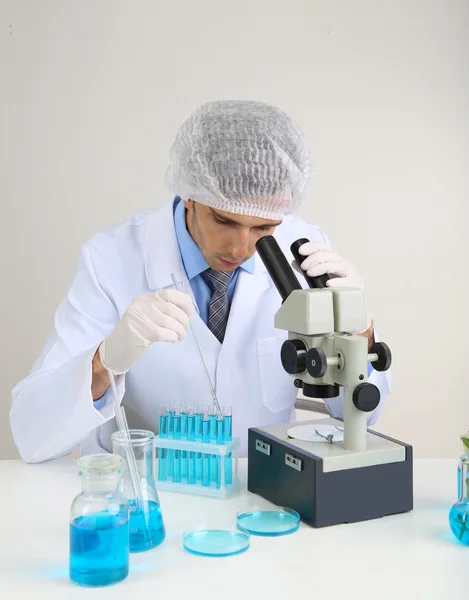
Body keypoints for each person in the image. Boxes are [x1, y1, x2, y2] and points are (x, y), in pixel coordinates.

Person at [10, 100, 391, 463]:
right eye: (224, 220)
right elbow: (34, 436)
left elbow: (360, 416)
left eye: (264, 227)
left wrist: (358, 333)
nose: (241, 247)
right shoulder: (110, 259)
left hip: (261, 494)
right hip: (148, 489)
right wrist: (103, 362)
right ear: (189, 194)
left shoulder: (308, 251)